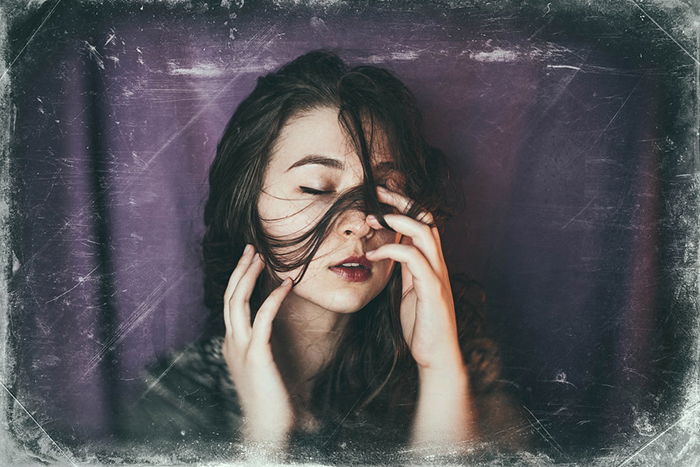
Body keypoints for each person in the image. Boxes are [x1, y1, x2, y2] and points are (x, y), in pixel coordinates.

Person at [124, 50, 528, 463]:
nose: (360, 222)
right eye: (317, 188)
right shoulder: (178, 397)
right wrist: (264, 436)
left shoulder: (467, 370)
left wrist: (440, 371)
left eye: (383, 190)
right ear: (246, 209)